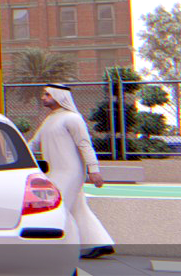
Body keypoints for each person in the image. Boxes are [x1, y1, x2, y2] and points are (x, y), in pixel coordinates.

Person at [32, 85, 113, 259]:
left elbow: (85, 145)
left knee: (57, 207)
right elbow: (34, 143)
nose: (43, 98)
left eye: (48, 94)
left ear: (59, 96)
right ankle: (100, 243)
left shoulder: (72, 118)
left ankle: (57, 247)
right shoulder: (50, 119)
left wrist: (93, 170)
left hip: (70, 172)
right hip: (54, 172)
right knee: (78, 209)